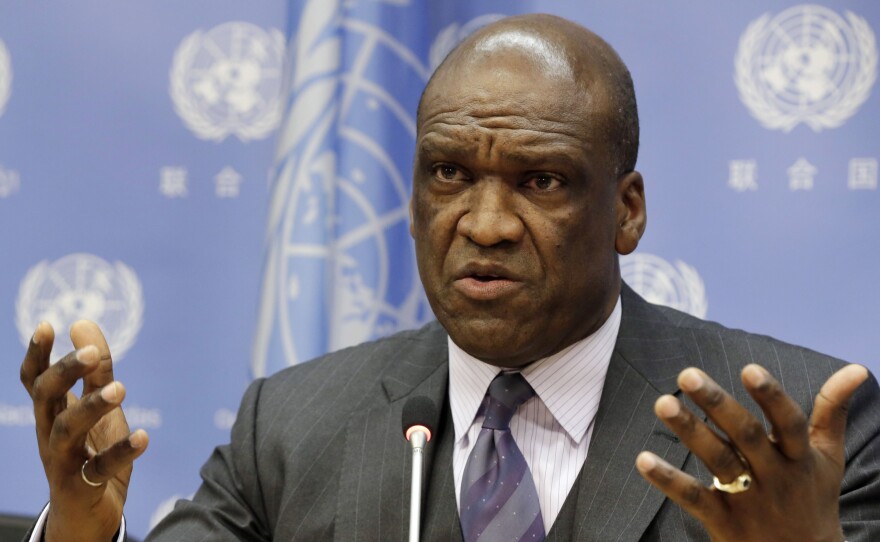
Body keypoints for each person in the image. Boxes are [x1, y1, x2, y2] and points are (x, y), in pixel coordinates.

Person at [20, 13, 880, 542]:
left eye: (540, 181)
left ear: (627, 211)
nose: (484, 224)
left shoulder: (805, 435)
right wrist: (84, 533)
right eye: (448, 174)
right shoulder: (288, 428)